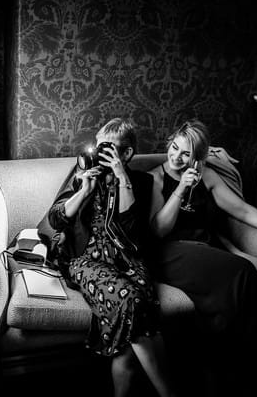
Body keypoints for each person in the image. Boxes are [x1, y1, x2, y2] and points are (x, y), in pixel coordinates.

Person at [148, 119, 257, 397]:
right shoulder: (155, 178)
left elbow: (242, 211)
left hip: (204, 251)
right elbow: (159, 229)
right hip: (170, 253)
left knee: (242, 288)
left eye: (186, 154)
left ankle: (225, 375)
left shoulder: (206, 176)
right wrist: (180, 189)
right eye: (174, 148)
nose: (176, 157)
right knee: (244, 271)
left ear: (197, 158)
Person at [47, 118, 178, 397]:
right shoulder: (82, 174)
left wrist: (121, 178)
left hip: (129, 261)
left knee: (131, 337)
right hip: (86, 261)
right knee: (132, 301)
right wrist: (83, 191)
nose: (100, 153)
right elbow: (55, 219)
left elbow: (134, 232)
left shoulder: (143, 183)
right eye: (99, 146)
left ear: (126, 153)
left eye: (109, 148)